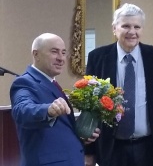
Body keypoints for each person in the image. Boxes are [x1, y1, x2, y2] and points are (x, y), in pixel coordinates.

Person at [84, 3, 153, 166]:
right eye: (126, 26)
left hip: (149, 147)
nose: (132, 32)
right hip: (112, 148)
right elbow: (90, 108)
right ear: (114, 28)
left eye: (137, 26)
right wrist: (89, 152)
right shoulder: (97, 58)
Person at [10, 33, 100, 166]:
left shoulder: (51, 83)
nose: (61, 58)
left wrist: (80, 135)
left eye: (63, 53)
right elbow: (22, 110)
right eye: (54, 52)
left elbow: (60, 130)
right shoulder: (24, 82)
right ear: (36, 54)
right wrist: (48, 110)